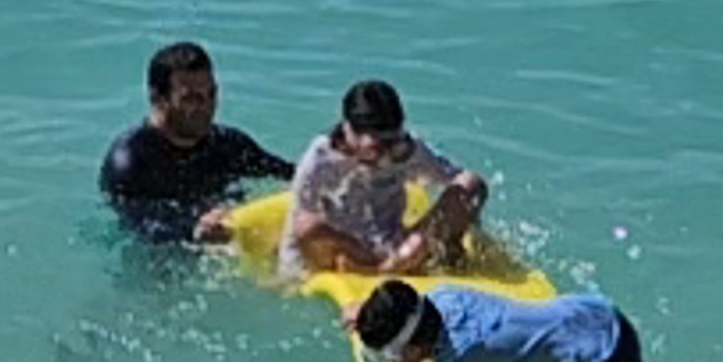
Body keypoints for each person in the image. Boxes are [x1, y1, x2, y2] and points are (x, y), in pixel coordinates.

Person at [278, 75, 487, 284]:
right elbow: (297, 229)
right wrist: (290, 278)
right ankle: (380, 268)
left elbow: (461, 183)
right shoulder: (321, 159)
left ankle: (390, 267)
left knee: (472, 183)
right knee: (306, 225)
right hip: (347, 255)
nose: (384, 157)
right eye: (375, 149)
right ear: (348, 131)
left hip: (397, 250)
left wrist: (459, 234)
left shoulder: (406, 151)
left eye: (392, 144)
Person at [351, 273, 654, 362]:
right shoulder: (443, 295)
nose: (392, 361)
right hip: (597, 313)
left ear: (413, 349)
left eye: (390, 354)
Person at [100, 34, 287, 233]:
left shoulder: (228, 145)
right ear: (158, 99)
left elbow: (291, 174)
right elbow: (142, 225)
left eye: (211, 94)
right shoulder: (131, 161)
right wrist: (195, 227)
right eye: (191, 99)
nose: (206, 107)